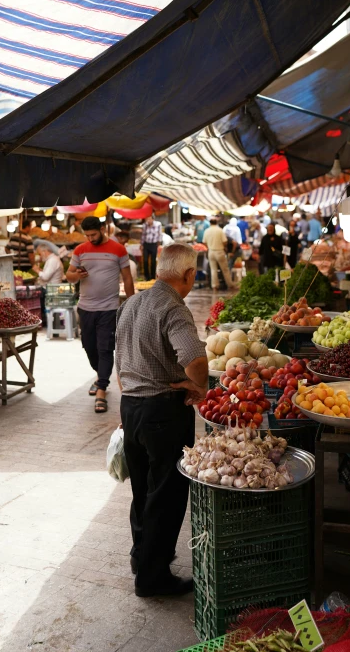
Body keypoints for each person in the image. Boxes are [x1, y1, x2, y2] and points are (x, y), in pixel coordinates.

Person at [116, 244, 208, 597]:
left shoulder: (132, 303)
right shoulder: (173, 307)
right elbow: (195, 360)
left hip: (132, 408)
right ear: (188, 275)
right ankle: (152, 577)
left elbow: (119, 357)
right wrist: (198, 385)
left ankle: (142, 558)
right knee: (166, 496)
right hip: (162, 412)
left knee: (143, 492)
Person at [66, 216, 135, 413]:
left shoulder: (118, 249)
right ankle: (100, 376)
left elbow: (127, 278)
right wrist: (76, 275)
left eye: (93, 234)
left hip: (109, 308)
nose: (90, 238)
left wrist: (131, 305)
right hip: (85, 308)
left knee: (105, 348)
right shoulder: (80, 250)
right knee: (90, 348)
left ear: (103, 229)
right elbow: (69, 275)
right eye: (87, 235)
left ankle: (101, 389)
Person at [203, 218, 233, 290]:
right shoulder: (220, 230)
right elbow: (225, 241)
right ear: (217, 222)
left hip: (211, 252)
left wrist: (209, 246)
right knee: (225, 269)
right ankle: (230, 285)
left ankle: (215, 286)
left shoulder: (207, 231)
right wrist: (224, 246)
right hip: (219, 251)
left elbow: (204, 242)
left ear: (210, 223)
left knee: (213, 270)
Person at [140, 214, 162, 281]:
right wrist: (141, 244)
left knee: (153, 261)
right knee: (145, 261)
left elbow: (159, 235)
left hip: (154, 244)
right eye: (147, 219)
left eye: (149, 219)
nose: (148, 220)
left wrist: (159, 245)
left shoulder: (158, 224)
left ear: (153, 219)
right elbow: (143, 235)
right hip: (146, 244)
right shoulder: (145, 225)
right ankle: (147, 276)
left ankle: (152, 277)